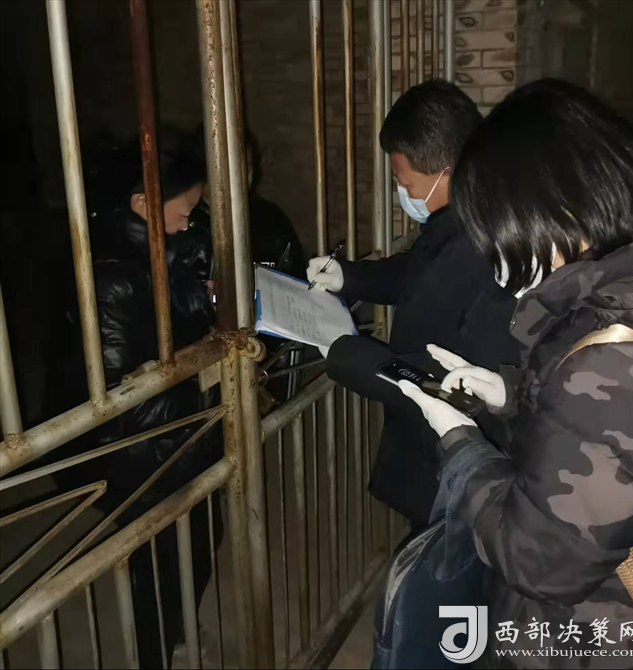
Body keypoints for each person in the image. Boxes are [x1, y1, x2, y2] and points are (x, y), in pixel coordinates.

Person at [400, 80, 633, 666]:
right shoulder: (622, 295)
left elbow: (540, 558)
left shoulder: (612, 356)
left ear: (554, 209)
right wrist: (509, 394)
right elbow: (607, 442)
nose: (498, 261)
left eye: (498, 231)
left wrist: (461, 448)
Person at [308, 80, 520, 528]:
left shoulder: (483, 247)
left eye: (405, 182)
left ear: (446, 170)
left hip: (452, 464)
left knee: (445, 564)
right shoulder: (460, 219)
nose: (401, 190)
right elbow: (417, 270)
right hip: (434, 451)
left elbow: (443, 385)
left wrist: (341, 350)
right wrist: (350, 276)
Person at [48, 130, 222, 668]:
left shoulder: (175, 247)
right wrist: (211, 375)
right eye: (184, 210)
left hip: (189, 430)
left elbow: (192, 322)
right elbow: (122, 399)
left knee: (202, 535)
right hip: (141, 455)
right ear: (144, 203)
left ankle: (174, 629)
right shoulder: (108, 277)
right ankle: (155, 651)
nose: (191, 221)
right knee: (157, 563)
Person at [189, 127, 306, 402]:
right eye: (230, 169)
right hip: (202, 374)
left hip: (263, 361)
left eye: (249, 167)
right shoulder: (183, 224)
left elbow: (295, 289)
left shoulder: (270, 220)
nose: (242, 177)